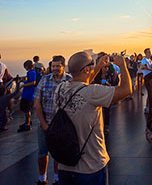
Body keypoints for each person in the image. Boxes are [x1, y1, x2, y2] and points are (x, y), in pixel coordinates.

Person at [54, 51, 132, 185]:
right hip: (90, 167)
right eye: (92, 63)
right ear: (86, 69)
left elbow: (81, 83)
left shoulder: (60, 88)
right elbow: (126, 90)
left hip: (65, 165)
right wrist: (123, 65)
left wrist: (97, 67)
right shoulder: (93, 92)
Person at [34, 55, 72, 185]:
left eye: (58, 66)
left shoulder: (69, 80)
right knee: (42, 152)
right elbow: (37, 103)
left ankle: (57, 178)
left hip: (62, 125)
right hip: (44, 123)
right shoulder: (44, 80)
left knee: (58, 153)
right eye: (53, 66)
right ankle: (42, 178)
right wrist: (43, 124)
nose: (55, 68)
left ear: (63, 66)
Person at [92, 53, 120, 135]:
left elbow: (115, 81)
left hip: (107, 93)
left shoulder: (110, 69)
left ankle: (106, 126)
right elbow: (94, 81)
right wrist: (103, 76)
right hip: (97, 93)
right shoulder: (96, 70)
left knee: (107, 110)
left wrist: (112, 72)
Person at [18, 60, 37, 132]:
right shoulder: (29, 73)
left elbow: (33, 82)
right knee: (24, 109)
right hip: (26, 94)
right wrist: (23, 81)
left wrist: (23, 85)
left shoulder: (32, 72)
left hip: (29, 95)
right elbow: (28, 80)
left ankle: (28, 123)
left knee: (26, 109)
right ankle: (27, 122)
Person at [142, 48, 152, 114]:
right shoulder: (144, 60)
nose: (150, 53)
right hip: (147, 78)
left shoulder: (150, 60)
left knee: (151, 92)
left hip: (151, 77)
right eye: (148, 52)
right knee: (150, 92)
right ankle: (146, 107)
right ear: (145, 53)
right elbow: (145, 67)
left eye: (150, 52)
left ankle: (149, 106)